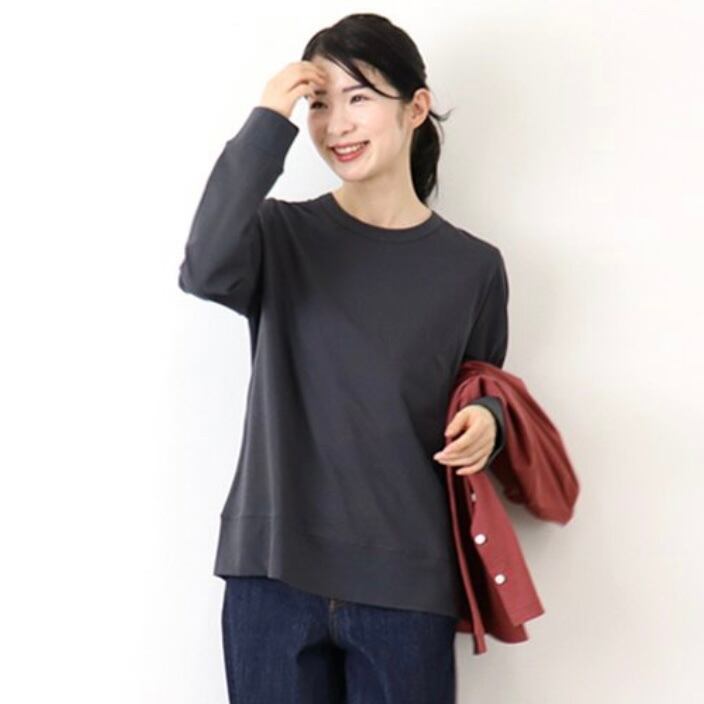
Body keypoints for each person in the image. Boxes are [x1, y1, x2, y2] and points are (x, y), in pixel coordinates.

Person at [178, 12, 510, 704]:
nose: (336, 125)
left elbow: (481, 384)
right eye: (320, 103)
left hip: (406, 584)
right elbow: (204, 267)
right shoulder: (280, 233)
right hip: (272, 575)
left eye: (359, 97)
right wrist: (268, 119)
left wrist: (489, 419)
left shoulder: (473, 268)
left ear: (416, 107)